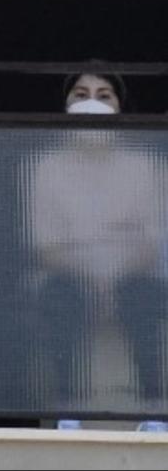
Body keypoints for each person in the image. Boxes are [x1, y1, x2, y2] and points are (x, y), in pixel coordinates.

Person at [24, 71, 168, 428]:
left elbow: (151, 243)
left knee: (142, 295)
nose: (92, 102)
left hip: (132, 275)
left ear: (119, 106)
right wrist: (92, 282)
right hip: (71, 275)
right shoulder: (48, 168)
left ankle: (155, 412)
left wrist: (114, 280)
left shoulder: (143, 167)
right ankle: (67, 410)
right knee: (59, 295)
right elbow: (48, 247)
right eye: (81, 94)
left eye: (104, 95)